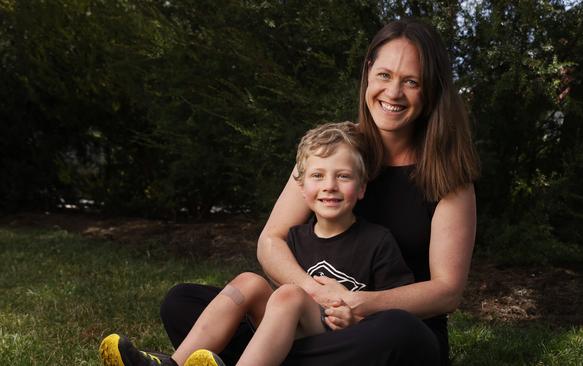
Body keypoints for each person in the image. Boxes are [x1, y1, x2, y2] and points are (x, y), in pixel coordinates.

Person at [115, 17, 479, 366]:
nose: (393, 92)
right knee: (183, 302)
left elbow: (447, 291)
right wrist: (313, 290)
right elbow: (269, 240)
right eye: (384, 75)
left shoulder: (448, 176)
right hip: (310, 324)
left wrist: (360, 305)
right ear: (368, 72)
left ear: (430, 90)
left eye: (411, 82)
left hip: (384, 335)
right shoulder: (334, 150)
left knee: (398, 330)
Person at [99, 122, 414, 366]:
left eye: (343, 176)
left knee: (290, 293)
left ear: (361, 188)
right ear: (302, 189)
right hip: (289, 337)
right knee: (250, 282)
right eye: (318, 175)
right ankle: (175, 363)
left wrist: (354, 318)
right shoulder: (294, 239)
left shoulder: (377, 241)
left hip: (339, 343)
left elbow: (390, 315)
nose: (329, 186)